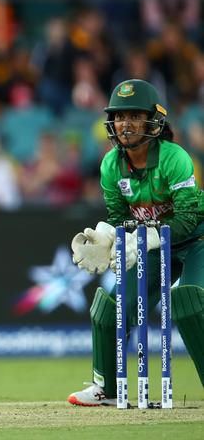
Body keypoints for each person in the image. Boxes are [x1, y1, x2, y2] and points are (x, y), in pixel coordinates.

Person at [68, 79, 204, 406]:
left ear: (153, 121)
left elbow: (186, 219)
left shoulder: (175, 158)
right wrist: (109, 237)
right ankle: (106, 388)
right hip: (157, 247)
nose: (125, 124)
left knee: (189, 303)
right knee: (110, 307)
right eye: (119, 116)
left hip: (196, 240)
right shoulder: (111, 165)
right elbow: (118, 216)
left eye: (134, 116)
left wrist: (148, 237)